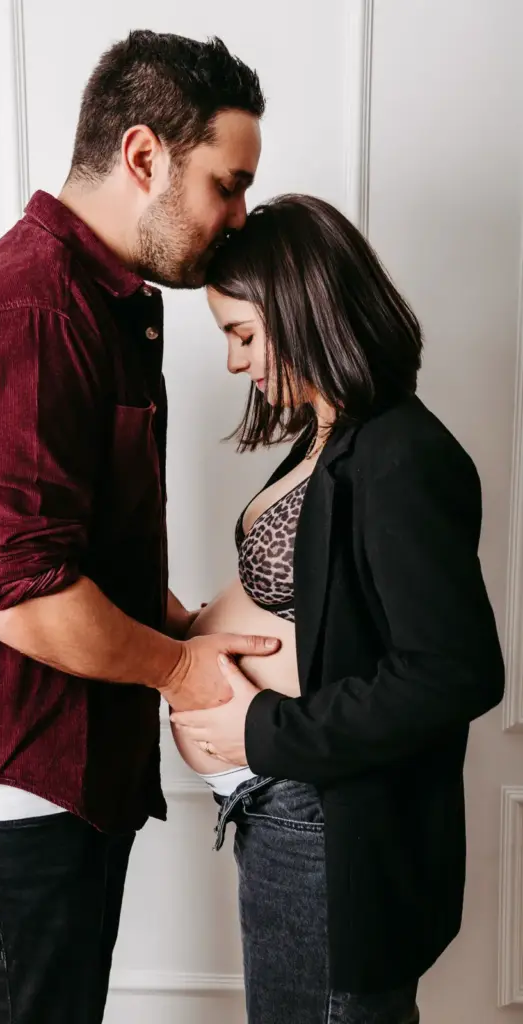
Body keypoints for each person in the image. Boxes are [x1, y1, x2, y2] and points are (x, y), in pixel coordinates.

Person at [0, 30, 275, 1024]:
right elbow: (20, 598)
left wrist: (182, 627)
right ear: (144, 157)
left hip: (45, 787)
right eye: (226, 184)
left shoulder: (94, 307)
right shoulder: (30, 314)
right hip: (4, 795)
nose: (237, 215)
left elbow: (65, 550)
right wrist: (184, 673)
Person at [171, 194, 505, 1024]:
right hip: (284, 809)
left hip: (327, 817)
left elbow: (450, 672)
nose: (234, 364)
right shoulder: (325, 434)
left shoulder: (401, 453)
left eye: (242, 334)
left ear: (302, 308)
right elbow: (323, 611)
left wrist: (263, 730)